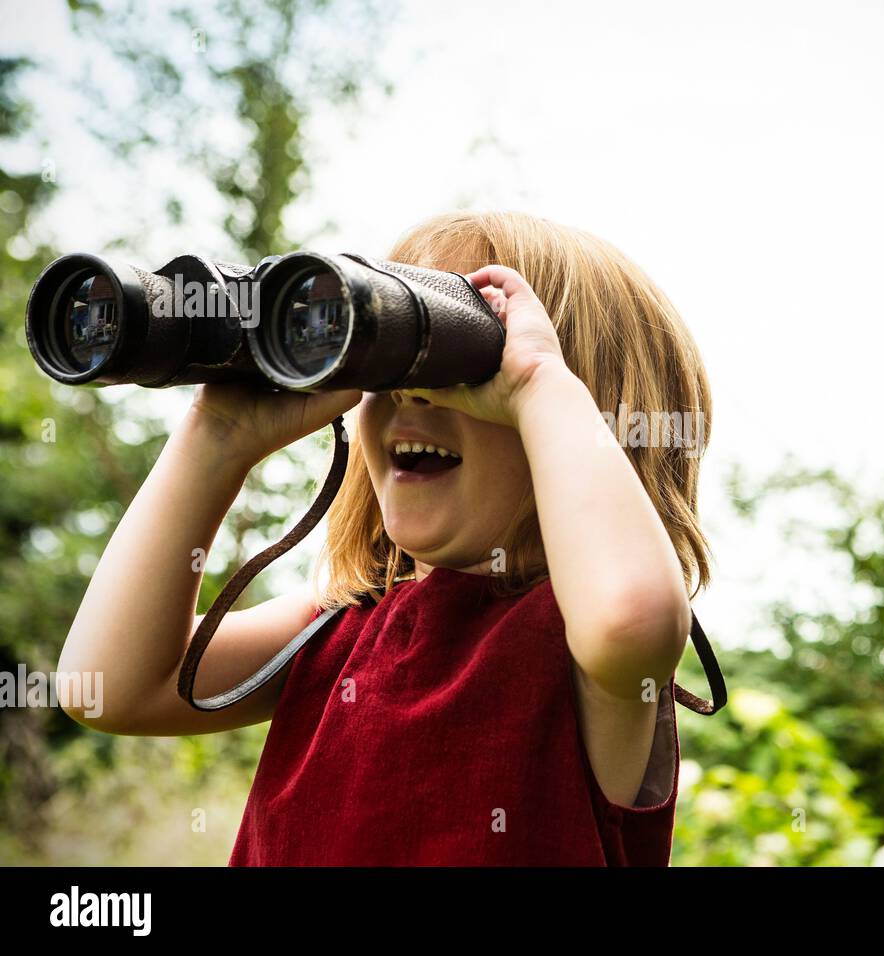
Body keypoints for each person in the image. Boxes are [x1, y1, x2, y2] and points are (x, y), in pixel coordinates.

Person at [56, 210, 714, 865]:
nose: (415, 395)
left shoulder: (585, 654)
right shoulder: (337, 629)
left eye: (468, 361)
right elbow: (108, 685)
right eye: (393, 358)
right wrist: (216, 437)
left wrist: (538, 380)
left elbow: (631, 617)